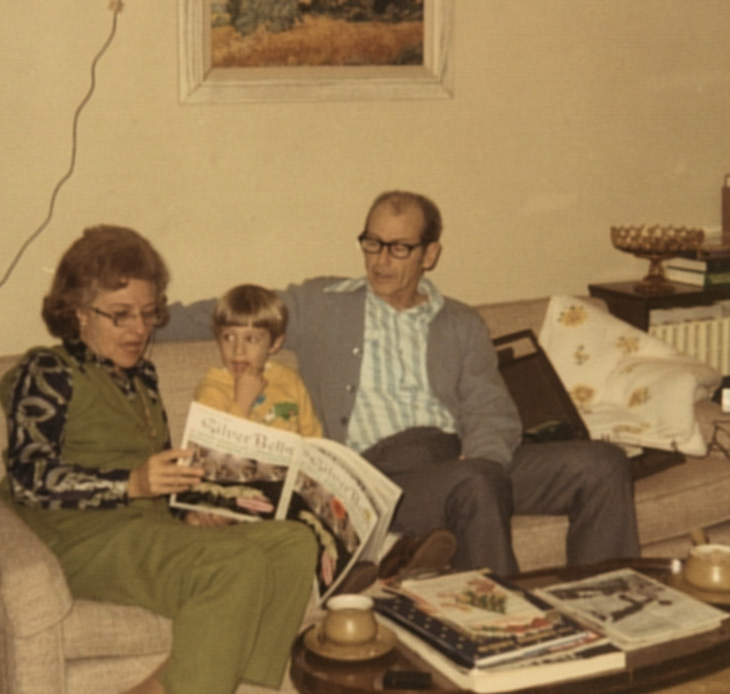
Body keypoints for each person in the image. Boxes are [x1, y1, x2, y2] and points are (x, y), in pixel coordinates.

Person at [159, 191, 641, 577]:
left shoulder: (460, 323)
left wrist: (481, 457)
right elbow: (221, 313)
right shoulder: (322, 304)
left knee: (601, 464)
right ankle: (497, 636)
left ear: (430, 253)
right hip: (379, 473)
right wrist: (139, 320)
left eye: (399, 247)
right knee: (476, 483)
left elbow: (489, 410)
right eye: (372, 242)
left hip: (458, 461)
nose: (381, 260)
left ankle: (608, 617)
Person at [0, 225, 316, 694]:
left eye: (148, 315)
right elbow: (27, 476)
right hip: (79, 535)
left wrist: (192, 510)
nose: (139, 330)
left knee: (294, 543)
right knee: (236, 566)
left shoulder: (140, 374)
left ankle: (231, 683)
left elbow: (160, 470)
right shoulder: (47, 369)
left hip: (145, 528)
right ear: (78, 312)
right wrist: (132, 483)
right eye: (120, 315)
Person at [196, 283, 322, 437]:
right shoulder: (213, 389)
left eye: (251, 339)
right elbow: (210, 452)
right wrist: (242, 403)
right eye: (229, 337)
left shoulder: (290, 380)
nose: (238, 350)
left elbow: (313, 435)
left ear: (275, 344)